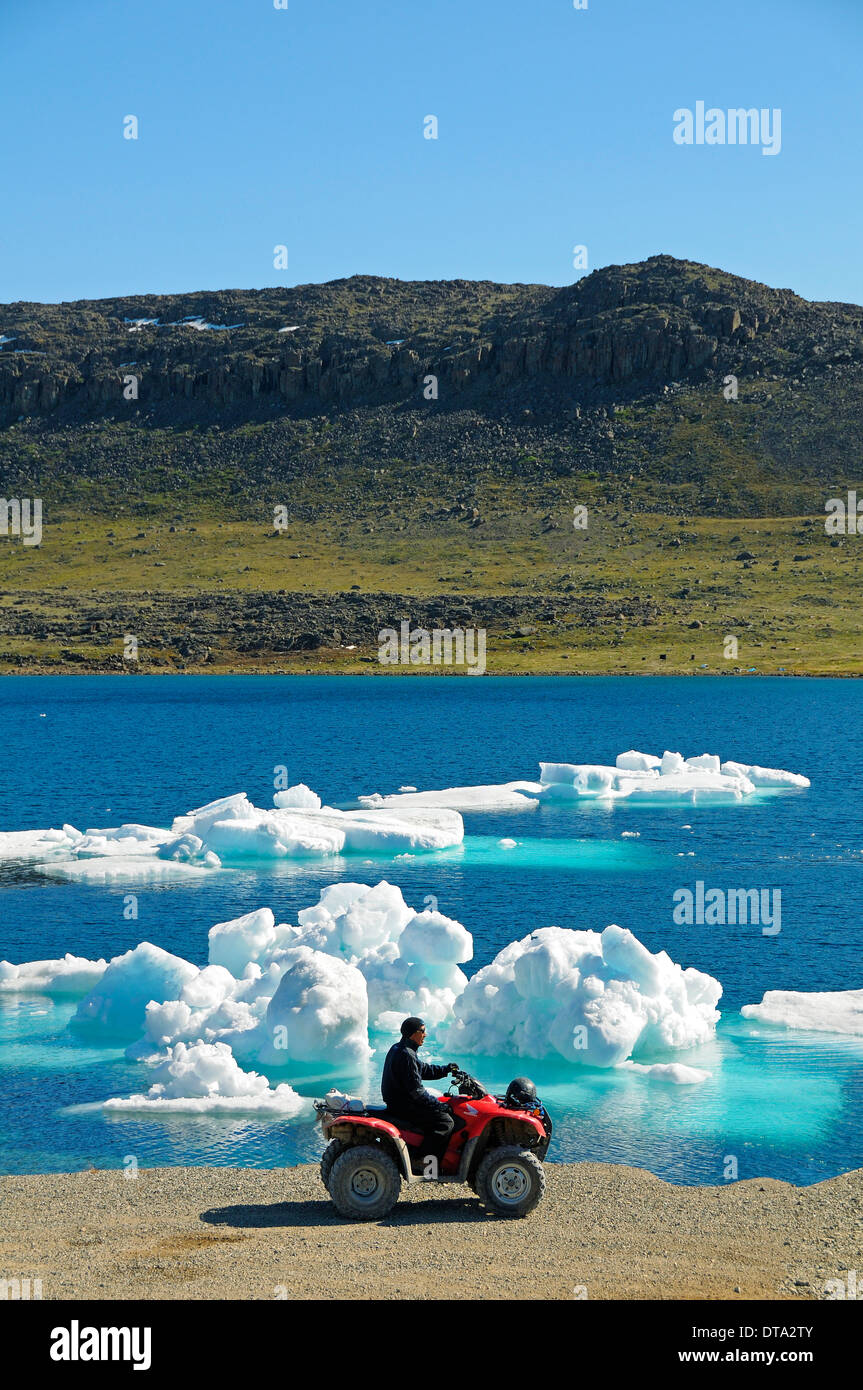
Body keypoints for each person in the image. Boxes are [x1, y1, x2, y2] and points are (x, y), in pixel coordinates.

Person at [380, 1016, 458, 1163]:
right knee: (445, 1122)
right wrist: (439, 1105)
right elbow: (417, 1093)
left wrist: (446, 1070)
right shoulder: (406, 1054)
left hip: (398, 1102)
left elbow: (423, 1069)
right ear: (413, 1033)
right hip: (404, 1106)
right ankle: (423, 1161)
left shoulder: (400, 1048)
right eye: (422, 1031)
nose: (425, 1034)